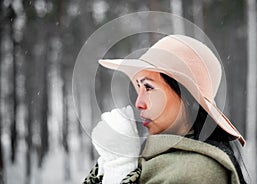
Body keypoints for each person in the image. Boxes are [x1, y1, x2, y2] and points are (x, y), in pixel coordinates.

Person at [83, 35, 247, 184]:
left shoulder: (198, 172)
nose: (139, 103)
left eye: (148, 87)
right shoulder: (150, 158)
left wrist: (119, 169)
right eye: (138, 87)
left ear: (187, 99)